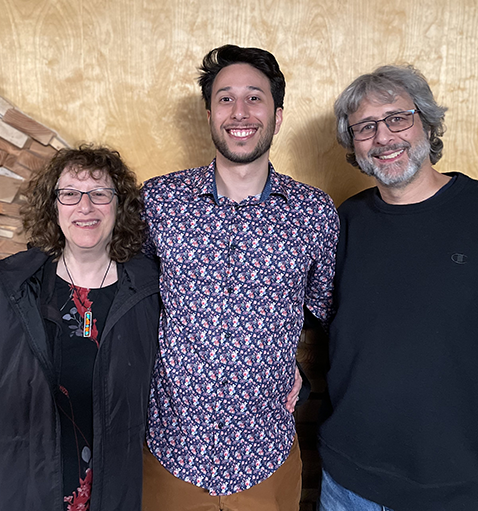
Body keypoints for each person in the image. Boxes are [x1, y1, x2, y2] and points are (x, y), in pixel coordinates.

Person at [319, 65, 478, 511]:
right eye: (365, 127)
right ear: (353, 144)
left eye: (398, 118)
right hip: (346, 486)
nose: (383, 138)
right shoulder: (345, 222)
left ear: (427, 122)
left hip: (458, 494)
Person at [141, 45, 339, 511]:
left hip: (265, 458)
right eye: (225, 98)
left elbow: (335, 316)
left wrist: (302, 376)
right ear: (208, 113)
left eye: (255, 97)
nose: (240, 112)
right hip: (172, 453)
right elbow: (129, 306)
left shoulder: (313, 214)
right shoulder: (159, 201)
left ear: (278, 114)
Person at [0, 145, 160, 511]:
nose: (84, 207)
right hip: (21, 497)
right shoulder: (11, 288)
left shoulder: (149, 291)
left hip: (120, 497)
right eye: (70, 194)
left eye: (99, 194)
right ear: (53, 206)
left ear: (119, 206)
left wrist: (285, 377)